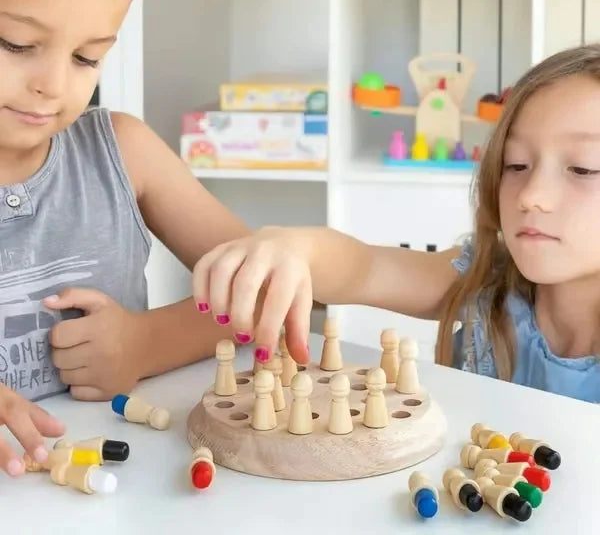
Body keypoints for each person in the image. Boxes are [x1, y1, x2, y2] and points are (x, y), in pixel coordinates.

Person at [193, 43, 600, 406]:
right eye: (516, 165)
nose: (531, 195)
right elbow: (366, 268)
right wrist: (296, 248)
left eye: (583, 168)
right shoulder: (489, 278)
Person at [0, 0, 267, 478]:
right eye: (14, 42)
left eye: (85, 57)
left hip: (118, 492)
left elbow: (263, 293)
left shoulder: (124, 152)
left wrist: (145, 344)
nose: (51, 85)